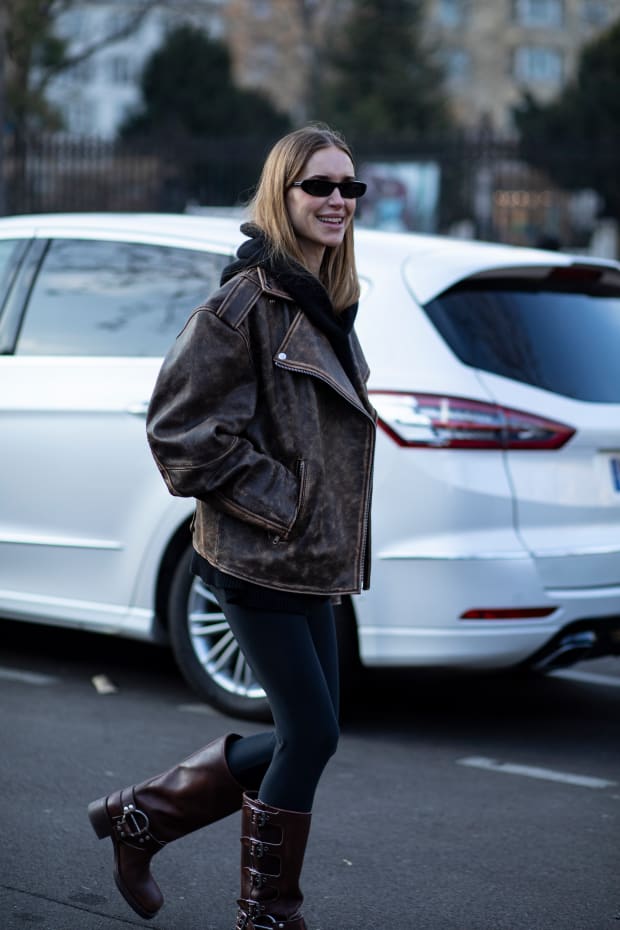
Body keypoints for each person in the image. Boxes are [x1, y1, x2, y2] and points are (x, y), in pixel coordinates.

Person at [87, 124, 376, 930]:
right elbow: (180, 434)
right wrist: (285, 504)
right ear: (280, 195)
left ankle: (142, 816)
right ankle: (267, 914)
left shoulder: (327, 302)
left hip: (307, 562)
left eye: (348, 187)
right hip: (257, 558)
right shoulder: (242, 303)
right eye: (318, 186)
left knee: (309, 733)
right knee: (311, 735)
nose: (336, 201)